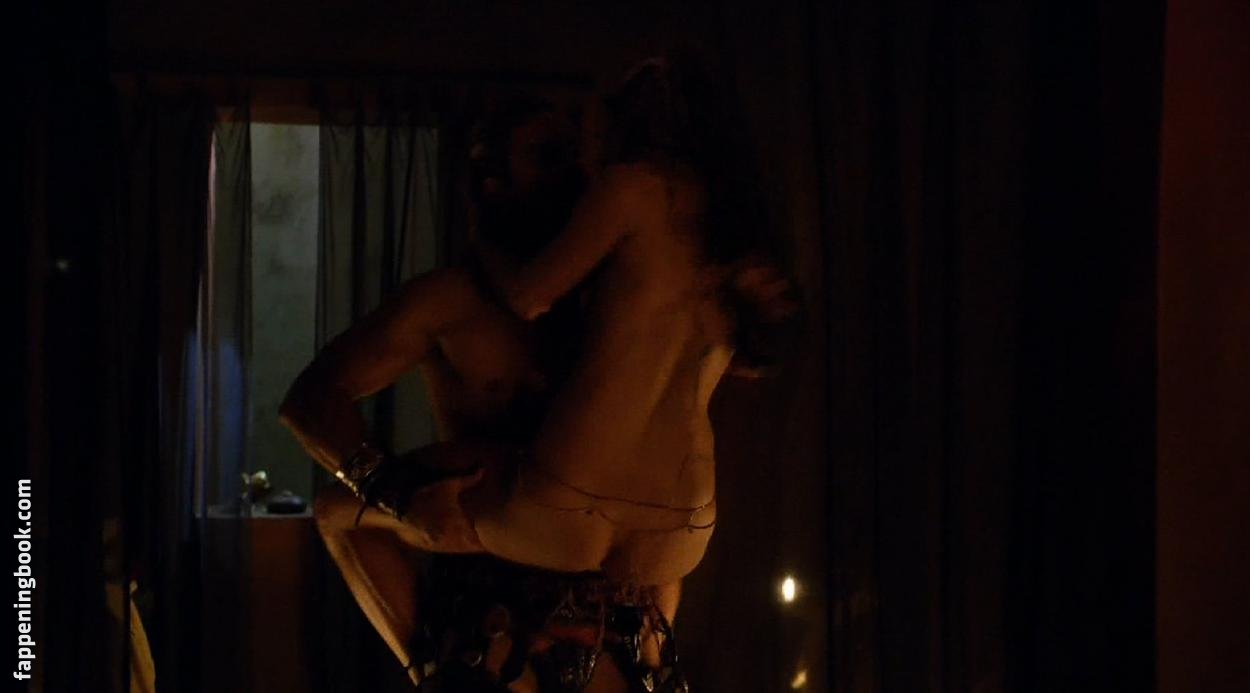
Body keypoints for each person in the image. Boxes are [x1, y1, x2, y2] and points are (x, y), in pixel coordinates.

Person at [282, 94, 685, 691]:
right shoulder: (450, 303)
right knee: (336, 512)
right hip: (495, 589)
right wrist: (396, 494)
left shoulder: (620, 300)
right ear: (492, 181)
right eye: (548, 156)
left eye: (577, 156)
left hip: (614, 594)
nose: (575, 174)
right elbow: (312, 400)